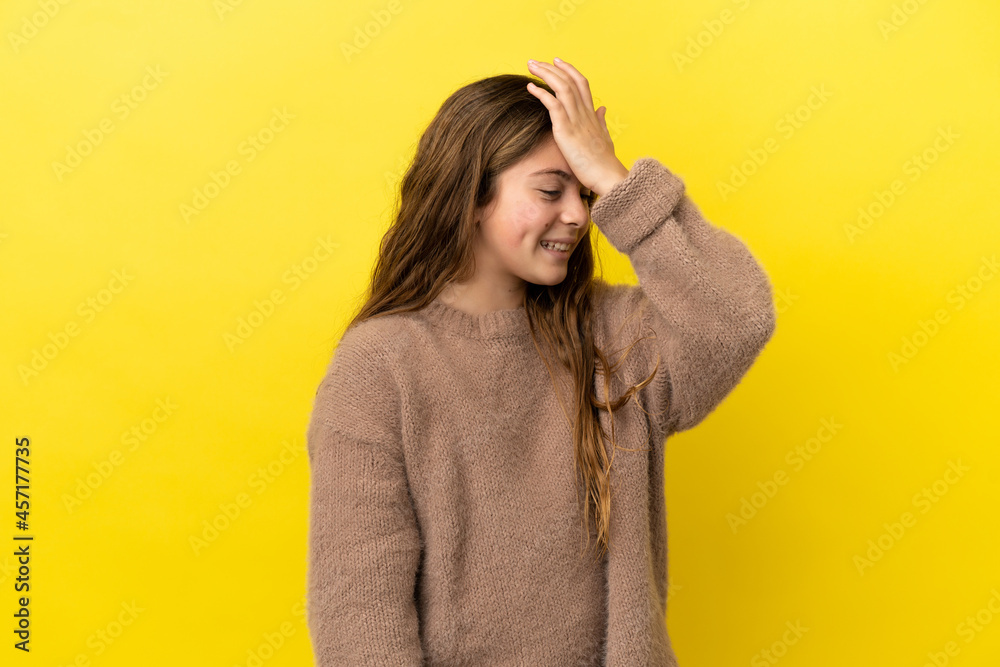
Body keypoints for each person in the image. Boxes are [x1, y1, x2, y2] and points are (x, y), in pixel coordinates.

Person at [305, 57, 777, 666]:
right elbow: (359, 617)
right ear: (470, 197)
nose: (580, 215)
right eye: (551, 190)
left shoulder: (614, 337)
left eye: (584, 193)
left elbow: (737, 320)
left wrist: (617, 182)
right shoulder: (380, 367)